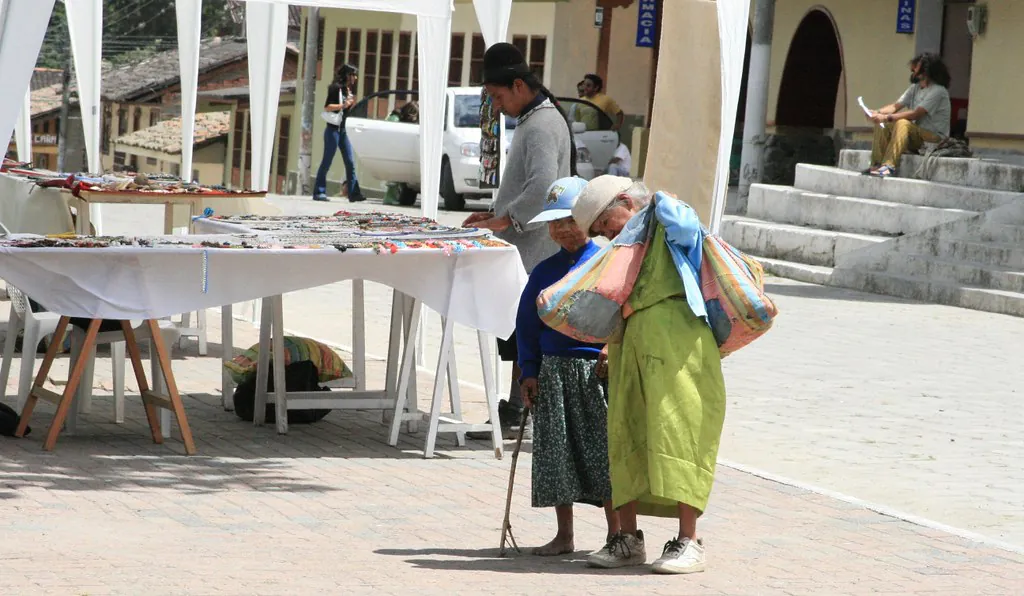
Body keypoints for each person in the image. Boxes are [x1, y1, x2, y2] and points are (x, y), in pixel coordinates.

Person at [572, 175, 726, 575]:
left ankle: (689, 541)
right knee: (626, 433)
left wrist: (660, 202)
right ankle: (627, 539)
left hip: (679, 342)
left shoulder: (667, 219)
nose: (610, 235)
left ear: (627, 201)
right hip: (631, 344)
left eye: (609, 225)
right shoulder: (626, 247)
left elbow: (690, 231)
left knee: (681, 432)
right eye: (603, 233)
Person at [462, 42, 577, 440]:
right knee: (517, 329)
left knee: (523, 328)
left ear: (517, 85)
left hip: (534, 247)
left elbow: (542, 184)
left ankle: (521, 412)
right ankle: (515, 409)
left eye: (496, 97)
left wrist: (505, 220)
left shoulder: (542, 124)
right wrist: (496, 217)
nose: (496, 107)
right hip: (526, 242)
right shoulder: (536, 120)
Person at [518, 176, 618, 557]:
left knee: (606, 454)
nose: (561, 229)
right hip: (554, 373)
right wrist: (529, 370)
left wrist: (612, 346)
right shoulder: (543, 271)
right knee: (557, 454)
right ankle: (565, 536)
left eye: (570, 220)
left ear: (589, 220)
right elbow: (526, 324)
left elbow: (625, 313)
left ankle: (617, 535)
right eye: (554, 222)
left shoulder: (608, 261)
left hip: (597, 373)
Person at [865, 53, 952, 177]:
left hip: (934, 138)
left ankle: (888, 167)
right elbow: (895, 106)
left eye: (915, 68)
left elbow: (916, 114)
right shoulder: (914, 88)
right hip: (918, 135)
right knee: (882, 123)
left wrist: (886, 117)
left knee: (903, 123)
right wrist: (877, 113)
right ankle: (876, 165)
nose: (912, 71)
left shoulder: (938, 91)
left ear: (926, 71)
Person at [314, 64, 365, 202]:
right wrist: (344, 105)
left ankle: (354, 193)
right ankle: (319, 192)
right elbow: (327, 107)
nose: (355, 78)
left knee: (350, 162)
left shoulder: (348, 90)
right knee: (327, 161)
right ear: (347, 75)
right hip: (332, 130)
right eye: (353, 74)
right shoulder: (335, 88)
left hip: (343, 130)